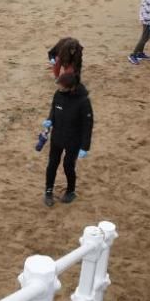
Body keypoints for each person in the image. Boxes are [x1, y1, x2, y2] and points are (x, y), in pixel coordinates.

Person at [42, 73, 93, 207]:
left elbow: (88, 125)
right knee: (52, 163)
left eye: (62, 86)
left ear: (71, 87)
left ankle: (71, 191)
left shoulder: (83, 102)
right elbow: (54, 109)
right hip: (57, 137)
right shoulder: (58, 94)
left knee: (68, 166)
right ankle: (48, 191)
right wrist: (50, 120)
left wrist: (85, 147)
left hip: (73, 140)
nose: (59, 88)